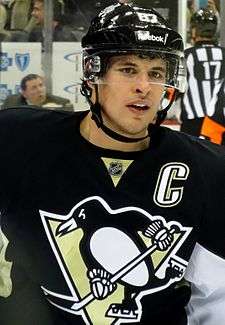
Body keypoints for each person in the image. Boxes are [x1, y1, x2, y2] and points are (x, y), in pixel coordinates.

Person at [0, 3, 225, 325]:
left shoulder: (206, 169)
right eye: (128, 69)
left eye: (156, 73)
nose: (144, 87)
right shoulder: (18, 139)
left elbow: (217, 296)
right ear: (93, 74)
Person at [179, 8, 225, 144]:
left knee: (192, 163)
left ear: (194, 30)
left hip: (194, 122)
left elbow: (174, 89)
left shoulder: (185, 56)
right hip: (221, 122)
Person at [1, 73, 74, 111]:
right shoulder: (11, 103)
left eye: (41, 85)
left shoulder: (62, 104)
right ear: (24, 94)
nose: (39, 90)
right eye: (34, 88)